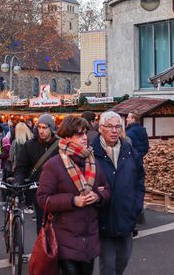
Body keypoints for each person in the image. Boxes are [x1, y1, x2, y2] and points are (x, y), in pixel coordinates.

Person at [36, 116, 111, 275]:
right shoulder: (54, 165)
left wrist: (97, 196)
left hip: (89, 237)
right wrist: (73, 200)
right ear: (67, 136)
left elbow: (107, 189)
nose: (85, 137)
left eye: (85, 133)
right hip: (65, 238)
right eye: (79, 134)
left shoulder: (94, 162)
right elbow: (42, 198)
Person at [91, 111, 145, 275]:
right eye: (110, 127)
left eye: (117, 127)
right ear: (101, 128)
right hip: (103, 219)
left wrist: (136, 207)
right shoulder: (91, 153)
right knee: (108, 268)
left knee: (122, 261)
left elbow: (139, 181)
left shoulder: (129, 151)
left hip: (126, 217)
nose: (114, 131)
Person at [15, 113, 60, 232]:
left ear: (51, 128)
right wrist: (18, 181)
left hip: (58, 190)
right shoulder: (30, 145)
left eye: (44, 128)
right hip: (38, 190)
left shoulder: (60, 145)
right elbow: (21, 166)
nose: (41, 131)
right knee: (41, 224)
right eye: (39, 127)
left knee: (58, 224)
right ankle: (43, 248)